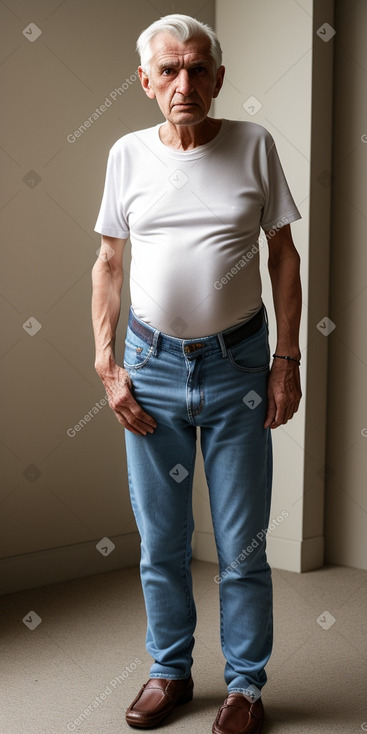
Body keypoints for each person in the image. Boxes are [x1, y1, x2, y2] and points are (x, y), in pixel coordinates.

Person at [91, 13, 302, 734]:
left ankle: (245, 686)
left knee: (241, 544)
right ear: (146, 81)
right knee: (162, 542)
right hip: (148, 368)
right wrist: (107, 366)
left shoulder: (253, 145)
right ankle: (169, 673)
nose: (185, 84)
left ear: (216, 77)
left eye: (198, 69)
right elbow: (110, 263)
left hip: (238, 364)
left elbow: (282, 255)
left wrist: (286, 361)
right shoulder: (126, 154)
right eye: (170, 71)